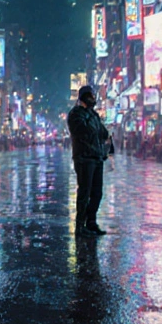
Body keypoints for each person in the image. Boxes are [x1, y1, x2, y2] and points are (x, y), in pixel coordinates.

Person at [67, 85, 111, 238]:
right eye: (91, 96)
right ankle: (80, 226)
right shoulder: (76, 114)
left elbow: (103, 132)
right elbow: (84, 131)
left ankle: (91, 222)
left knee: (97, 193)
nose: (93, 98)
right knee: (84, 193)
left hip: (97, 157)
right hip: (84, 158)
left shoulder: (93, 115)